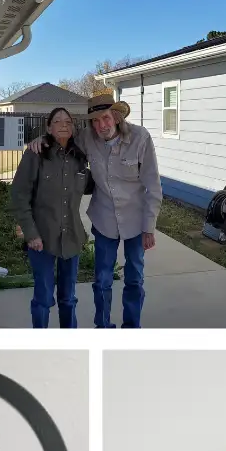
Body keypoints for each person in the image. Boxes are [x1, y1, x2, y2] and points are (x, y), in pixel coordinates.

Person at [29, 91, 161, 327]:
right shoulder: (87, 138)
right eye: (96, 120)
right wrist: (41, 139)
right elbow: (62, 136)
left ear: (117, 117)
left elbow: (153, 185)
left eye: (106, 118)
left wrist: (149, 227)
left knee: (135, 279)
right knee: (102, 281)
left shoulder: (141, 138)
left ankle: (132, 327)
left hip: (136, 220)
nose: (101, 125)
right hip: (104, 219)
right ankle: (103, 326)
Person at [10, 107, 91, 328]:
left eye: (68, 121)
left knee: (68, 299)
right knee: (43, 299)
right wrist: (30, 233)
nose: (64, 124)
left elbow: (91, 185)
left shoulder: (79, 158)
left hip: (72, 238)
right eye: (57, 121)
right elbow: (19, 196)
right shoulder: (35, 154)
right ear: (48, 127)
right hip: (42, 240)